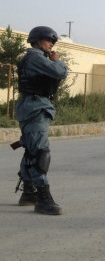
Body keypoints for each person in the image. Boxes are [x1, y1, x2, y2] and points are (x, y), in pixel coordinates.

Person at [15, 26, 67, 215]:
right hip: (36, 107)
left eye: (53, 41)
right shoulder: (36, 57)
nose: (51, 43)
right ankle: (43, 199)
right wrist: (58, 62)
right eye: (48, 40)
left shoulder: (33, 58)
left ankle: (29, 193)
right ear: (37, 40)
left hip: (32, 106)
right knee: (40, 153)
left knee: (31, 150)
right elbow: (60, 73)